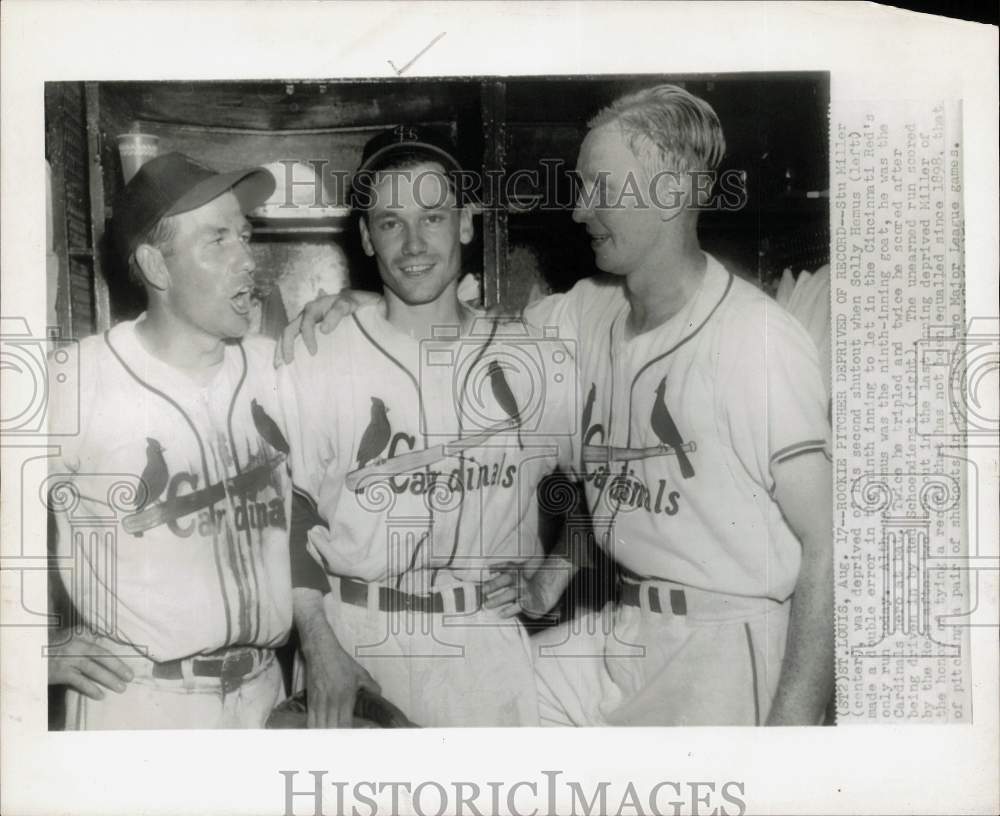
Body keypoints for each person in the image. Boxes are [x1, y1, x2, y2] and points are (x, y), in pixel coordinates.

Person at [282, 84, 833, 726]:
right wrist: (363, 303)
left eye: (600, 188)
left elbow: (829, 542)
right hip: (621, 628)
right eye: (391, 223)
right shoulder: (583, 316)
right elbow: (456, 322)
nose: (578, 211)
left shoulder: (755, 337)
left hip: (723, 638)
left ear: (672, 191)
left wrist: (795, 732)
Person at [277, 126, 574, 727]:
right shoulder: (320, 352)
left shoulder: (534, 356)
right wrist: (316, 640)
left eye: (433, 217)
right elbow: (290, 512)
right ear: (365, 236)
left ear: (465, 223)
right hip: (359, 638)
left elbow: (606, 481)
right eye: (390, 222)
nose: (413, 242)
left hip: (482, 641)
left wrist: (553, 577)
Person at [48, 153, 293, 729]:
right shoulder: (76, 380)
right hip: (142, 705)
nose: (247, 260)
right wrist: (26, 649)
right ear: (157, 267)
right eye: (217, 242)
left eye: (244, 235)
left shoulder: (275, 369)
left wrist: (352, 304)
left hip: (265, 696)